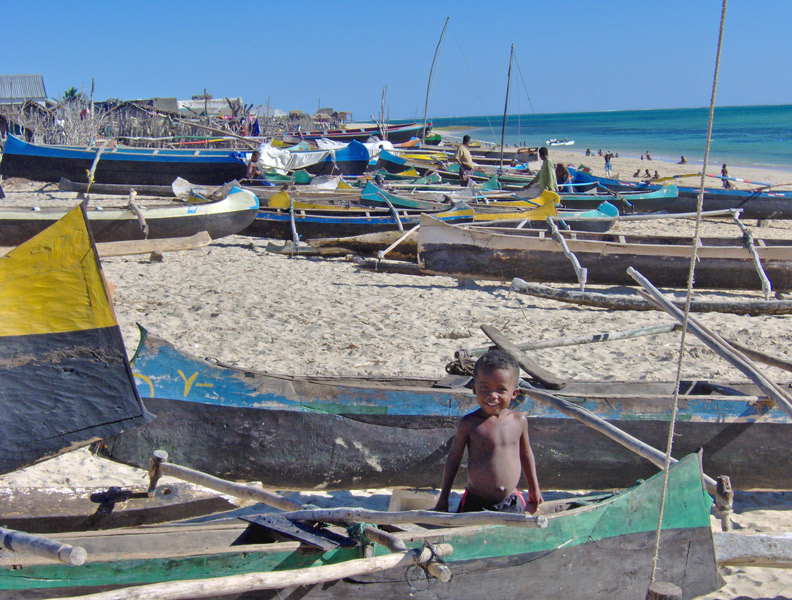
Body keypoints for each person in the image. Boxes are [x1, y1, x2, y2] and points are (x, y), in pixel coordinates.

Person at [433, 350, 543, 514]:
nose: (492, 396)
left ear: (514, 393)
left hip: (510, 502)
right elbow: (453, 460)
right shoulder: (469, 424)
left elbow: (526, 455)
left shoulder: (519, 422)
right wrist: (444, 497)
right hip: (475, 502)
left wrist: (534, 489)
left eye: (501, 389)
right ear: (474, 389)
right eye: (484, 388)